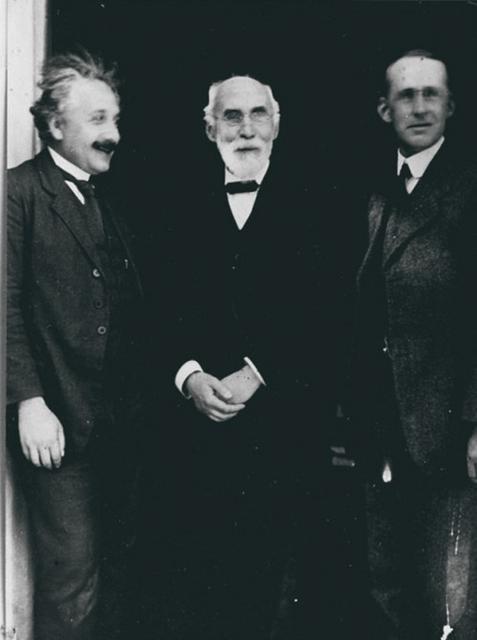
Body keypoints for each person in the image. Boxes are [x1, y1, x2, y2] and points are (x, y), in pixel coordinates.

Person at [136, 75, 340, 640]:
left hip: (285, 429)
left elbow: (331, 309)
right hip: (196, 431)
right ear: (209, 129)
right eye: (231, 116)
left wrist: (257, 373)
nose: (246, 128)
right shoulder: (174, 205)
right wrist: (189, 377)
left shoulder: (319, 202)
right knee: (199, 584)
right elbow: (154, 308)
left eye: (257, 114)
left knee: (281, 591)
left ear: (277, 125)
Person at [7, 50, 143, 640]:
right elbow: (3, 304)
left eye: (115, 118)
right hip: (60, 424)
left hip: (121, 423)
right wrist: (29, 401)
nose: (114, 134)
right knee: (72, 583)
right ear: (55, 124)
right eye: (97, 119)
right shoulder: (18, 193)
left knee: (122, 570)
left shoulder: (111, 197)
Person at [354, 49, 477, 639]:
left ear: (451, 106)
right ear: (385, 109)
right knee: (388, 585)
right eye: (407, 95)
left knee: (449, 601)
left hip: (450, 432)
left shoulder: (469, 189)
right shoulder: (374, 191)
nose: (420, 106)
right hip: (383, 429)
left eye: (432, 94)